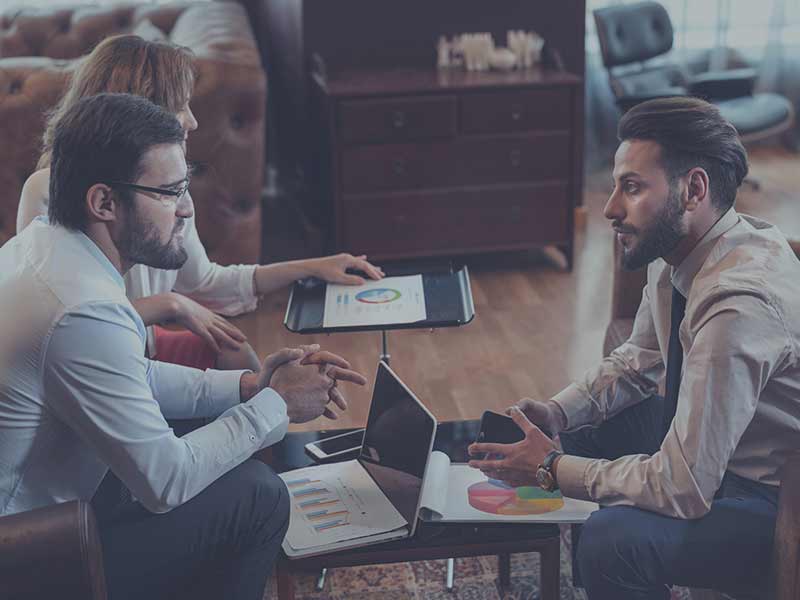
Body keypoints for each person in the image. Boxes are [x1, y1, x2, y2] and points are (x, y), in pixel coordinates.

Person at [0, 92, 367, 600]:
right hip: (29, 558)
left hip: (52, 510)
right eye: (170, 192)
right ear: (104, 202)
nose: (188, 209)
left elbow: (133, 376)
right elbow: (165, 482)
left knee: (220, 442)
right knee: (257, 497)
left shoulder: (45, 246)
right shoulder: (81, 308)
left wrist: (247, 386)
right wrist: (276, 403)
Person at [468, 97, 800, 599]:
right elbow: (637, 362)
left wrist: (552, 470)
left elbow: (683, 488)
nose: (609, 208)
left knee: (610, 541)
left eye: (633, 187)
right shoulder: (682, 254)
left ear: (693, 190)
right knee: (583, 433)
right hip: (725, 457)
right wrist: (557, 413)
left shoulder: (738, 307)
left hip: (773, 502)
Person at [16, 34, 384, 373]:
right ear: (139, 111)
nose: (192, 121)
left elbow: (205, 282)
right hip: (88, 362)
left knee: (237, 352)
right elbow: (61, 323)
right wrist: (169, 305)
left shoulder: (167, 189)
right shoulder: (46, 192)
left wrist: (312, 268)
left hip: (140, 345)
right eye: (181, 106)